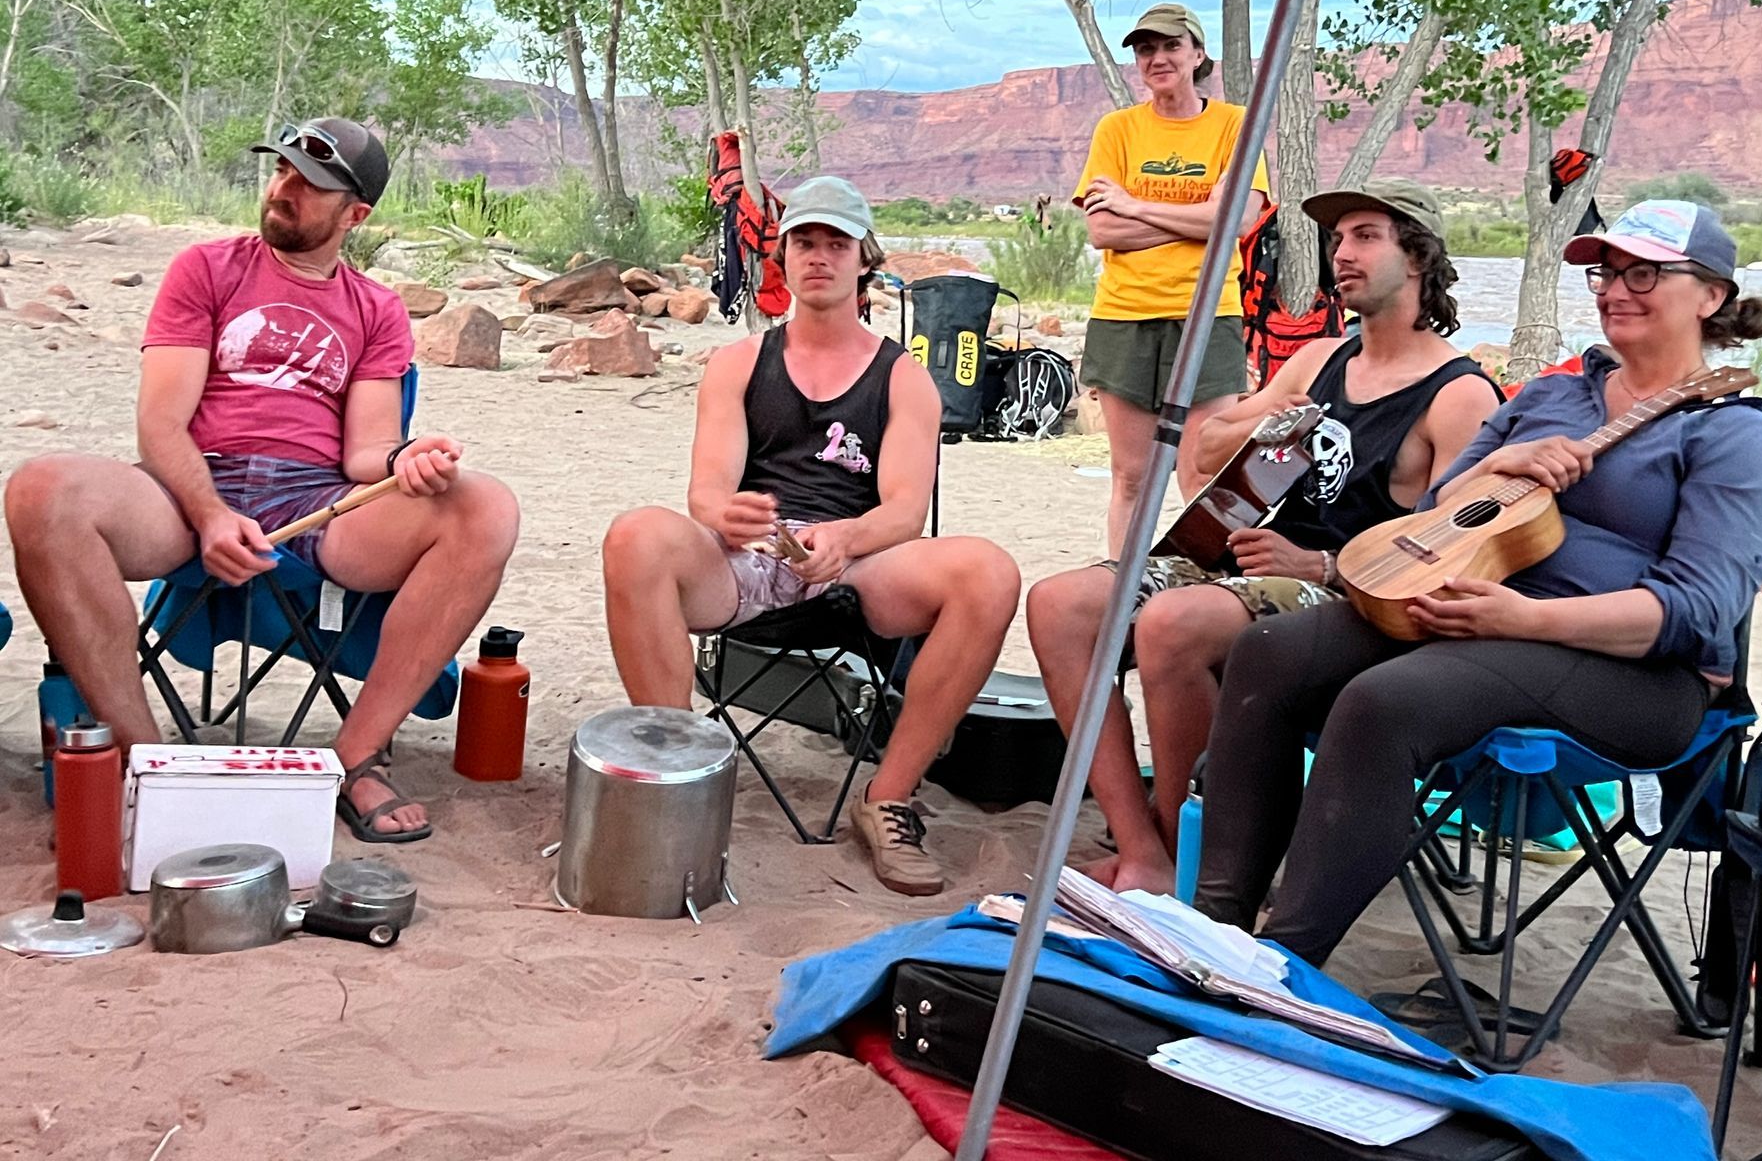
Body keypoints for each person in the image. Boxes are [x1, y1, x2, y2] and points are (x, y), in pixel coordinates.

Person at [1192, 199, 1762, 965]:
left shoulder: (1732, 435)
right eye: (1606, 272)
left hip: (1639, 676)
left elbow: (1695, 612)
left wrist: (1516, 618)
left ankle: (1280, 962)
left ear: (1711, 295)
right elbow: (1443, 505)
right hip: (1478, 612)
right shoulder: (1555, 395)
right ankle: (1213, 925)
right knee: (1271, 651)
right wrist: (1498, 464)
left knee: (1387, 701)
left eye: (1644, 272)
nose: (1617, 290)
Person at [5, 118, 521, 843]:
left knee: (485, 509)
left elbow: (364, 451)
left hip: (313, 502)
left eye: (311, 186)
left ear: (356, 214)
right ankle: (142, 761)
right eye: (280, 172)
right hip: (185, 491)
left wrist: (405, 459)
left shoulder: (376, 310)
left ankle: (357, 755)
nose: (283, 191)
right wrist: (211, 514)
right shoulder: (208, 268)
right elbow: (161, 424)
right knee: (42, 488)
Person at [1028, 181, 1502, 893]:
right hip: (1248, 564)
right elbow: (1203, 453)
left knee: (1171, 623)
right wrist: (1264, 427)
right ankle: (1146, 847)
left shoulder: (1459, 396)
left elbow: (1458, 555)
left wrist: (1322, 562)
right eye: (1338, 240)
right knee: (1059, 605)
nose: (1342, 254)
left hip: (1353, 602)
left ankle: (1191, 853)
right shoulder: (1319, 362)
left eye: (1366, 236)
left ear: (1420, 256)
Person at [602, 176, 1021, 897]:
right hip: (745, 559)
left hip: (852, 568)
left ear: (865, 259)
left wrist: (847, 539)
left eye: (836, 244)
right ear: (783, 257)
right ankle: (680, 775)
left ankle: (887, 798)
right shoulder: (736, 363)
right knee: (635, 535)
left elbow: (904, 512)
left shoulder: (904, 376)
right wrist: (723, 514)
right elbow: (706, 490)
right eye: (804, 242)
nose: (819, 257)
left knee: (989, 572)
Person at [1075, 2, 1272, 553]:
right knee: (1133, 477)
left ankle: (1204, 590)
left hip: (1209, 313)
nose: (1157, 58)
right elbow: (1102, 233)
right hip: (1125, 314)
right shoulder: (1118, 130)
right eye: (1145, 49)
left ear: (1197, 53)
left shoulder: (1236, 125)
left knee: (1204, 476)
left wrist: (1135, 206)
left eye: (1170, 46)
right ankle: (1123, 591)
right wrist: (1201, 224)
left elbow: (1239, 219)